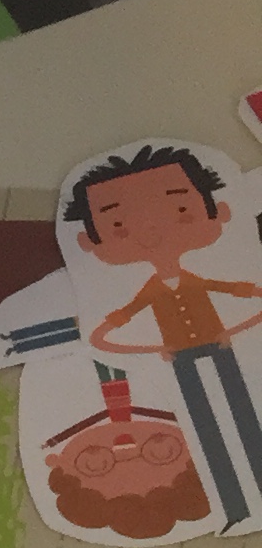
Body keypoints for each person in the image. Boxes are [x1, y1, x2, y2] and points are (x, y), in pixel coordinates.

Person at [73, 143, 262, 527]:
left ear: (221, 212)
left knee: (245, 416)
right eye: (119, 226)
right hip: (182, 358)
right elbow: (105, 335)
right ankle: (236, 509)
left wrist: (231, 331)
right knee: (205, 427)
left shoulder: (198, 282)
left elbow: (249, 294)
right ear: (90, 244)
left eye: (179, 211)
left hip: (220, 348)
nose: (150, 231)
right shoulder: (150, 292)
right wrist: (159, 347)